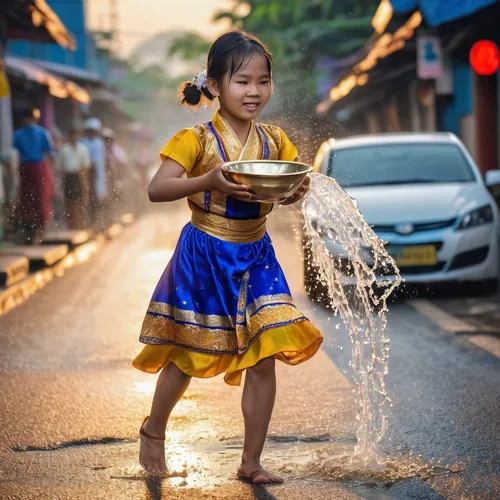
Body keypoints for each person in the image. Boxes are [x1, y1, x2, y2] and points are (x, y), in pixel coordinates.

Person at [133, 31, 323, 483]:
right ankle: (153, 429)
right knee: (184, 352)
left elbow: (293, 189)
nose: (254, 91)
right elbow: (157, 189)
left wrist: (297, 191)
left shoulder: (276, 142)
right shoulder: (194, 139)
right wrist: (208, 181)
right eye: (241, 81)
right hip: (204, 254)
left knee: (265, 352)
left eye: (263, 81)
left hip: (256, 253)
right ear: (215, 85)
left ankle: (251, 462)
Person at [13, 107, 54, 244]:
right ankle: (36, 232)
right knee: (34, 199)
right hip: (34, 168)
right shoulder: (41, 133)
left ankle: (37, 231)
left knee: (33, 199)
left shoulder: (20, 134)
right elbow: (50, 153)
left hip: (32, 168)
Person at [56, 125, 91, 229]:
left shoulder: (83, 149)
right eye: (73, 134)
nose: (75, 136)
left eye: (77, 134)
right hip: (68, 177)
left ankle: (80, 224)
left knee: (80, 201)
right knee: (69, 202)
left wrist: (85, 182)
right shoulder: (64, 150)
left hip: (79, 176)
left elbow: (85, 167)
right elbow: (59, 167)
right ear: (70, 135)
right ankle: (72, 225)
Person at [80, 118, 106, 228]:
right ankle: (88, 224)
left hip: (98, 175)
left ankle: (98, 224)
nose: (91, 133)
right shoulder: (82, 143)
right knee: (86, 199)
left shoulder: (100, 144)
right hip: (86, 174)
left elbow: (102, 160)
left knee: (98, 200)